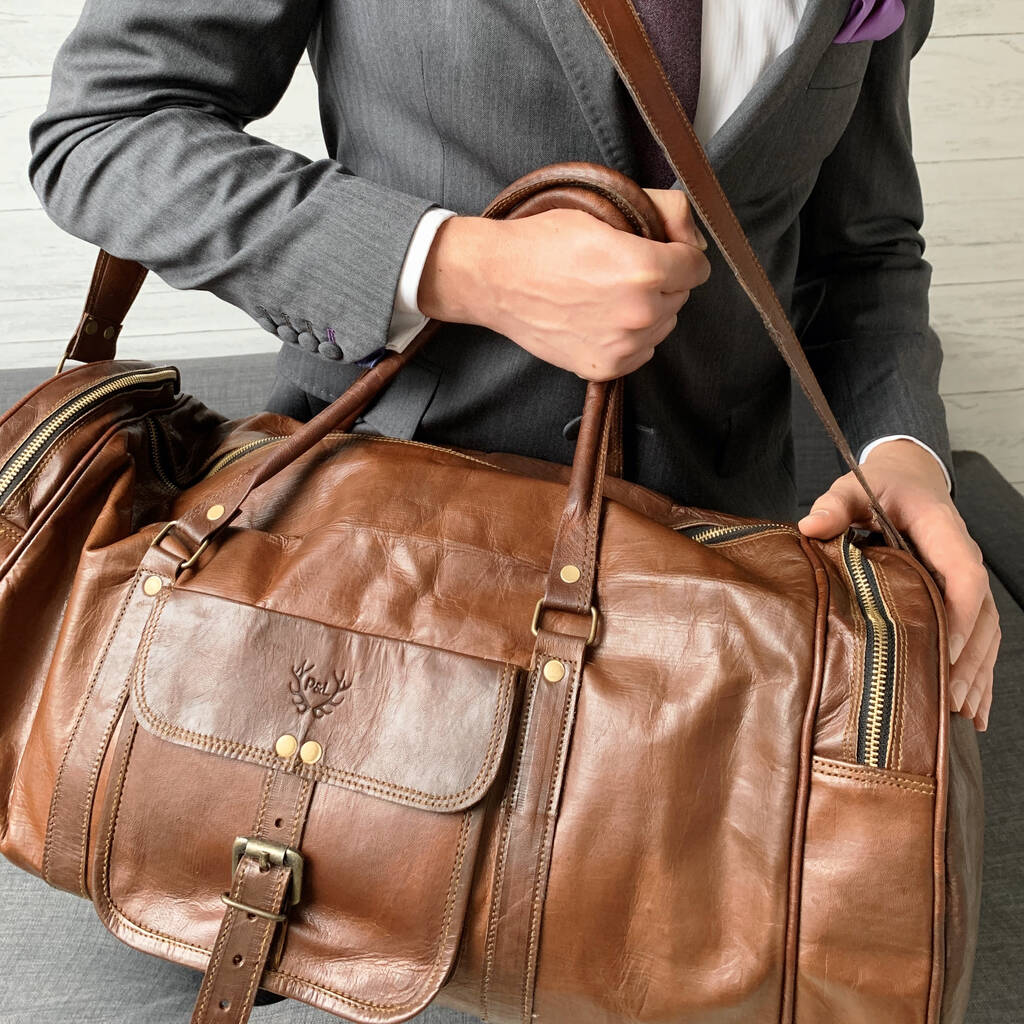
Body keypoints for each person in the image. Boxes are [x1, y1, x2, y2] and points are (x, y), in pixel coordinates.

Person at [4, 0, 997, 1020]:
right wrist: (460, 267)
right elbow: (107, 128)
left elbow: (862, 251)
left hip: (699, 676)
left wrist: (901, 456)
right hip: (351, 612)